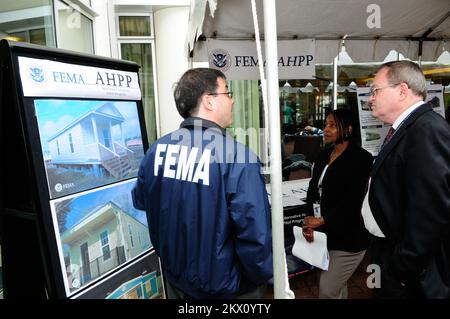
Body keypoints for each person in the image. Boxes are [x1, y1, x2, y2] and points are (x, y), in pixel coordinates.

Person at [131, 68, 273, 299]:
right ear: (209, 100)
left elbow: (141, 201)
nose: (233, 99)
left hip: (175, 281)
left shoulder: (156, 151)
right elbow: (255, 235)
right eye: (227, 92)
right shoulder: (237, 157)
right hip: (228, 290)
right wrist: (258, 279)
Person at [365, 60, 450, 299]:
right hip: (389, 253)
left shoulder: (426, 130)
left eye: (375, 90)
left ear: (402, 90)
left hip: (411, 273)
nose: (371, 97)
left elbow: (431, 212)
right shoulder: (407, 128)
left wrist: (402, 266)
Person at [302, 108, 372, 299]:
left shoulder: (361, 159)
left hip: (349, 238)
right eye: (326, 124)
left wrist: (323, 219)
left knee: (327, 290)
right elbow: (312, 191)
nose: (326, 129)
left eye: (332, 125)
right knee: (336, 288)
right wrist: (309, 220)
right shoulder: (323, 155)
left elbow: (353, 200)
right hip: (324, 237)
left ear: (348, 129)